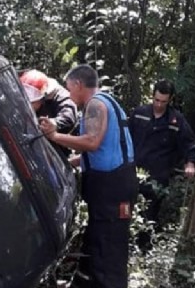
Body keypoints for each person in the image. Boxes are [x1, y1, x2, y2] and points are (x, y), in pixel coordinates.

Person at [40, 64, 138, 288]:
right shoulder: (107, 102)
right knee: (100, 245)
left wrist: (55, 136)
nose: (69, 95)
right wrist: (66, 163)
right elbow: (103, 150)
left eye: (69, 89)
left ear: (78, 84)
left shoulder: (96, 104)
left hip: (113, 190)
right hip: (114, 187)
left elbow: (92, 142)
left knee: (109, 250)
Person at [129, 79, 195, 250]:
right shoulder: (139, 113)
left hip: (158, 177)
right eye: (156, 100)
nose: (159, 104)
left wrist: (190, 163)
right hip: (133, 173)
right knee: (127, 210)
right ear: (152, 96)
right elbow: (124, 138)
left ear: (170, 100)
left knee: (150, 214)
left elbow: (189, 143)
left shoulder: (176, 120)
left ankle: (144, 248)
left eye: (163, 101)